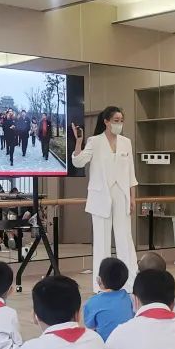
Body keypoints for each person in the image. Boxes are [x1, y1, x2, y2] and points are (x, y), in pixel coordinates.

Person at [71, 106, 139, 293]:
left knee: (125, 239)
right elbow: (78, 161)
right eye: (116, 120)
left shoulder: (126, 142)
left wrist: (132, 198)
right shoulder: (94, 141)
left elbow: (131, 173)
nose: (119, 124)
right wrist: (79, 142)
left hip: (122, 195)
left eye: (121, 120)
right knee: (101, 241)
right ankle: (101, 285)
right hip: (101, 196)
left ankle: (130, 282)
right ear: (106, 122)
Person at [83, 257, 134, 341]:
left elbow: (90, 327)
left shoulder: (91, 302)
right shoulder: (130, 298)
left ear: (99, 280)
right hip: (128, 341)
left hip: (105, 345)